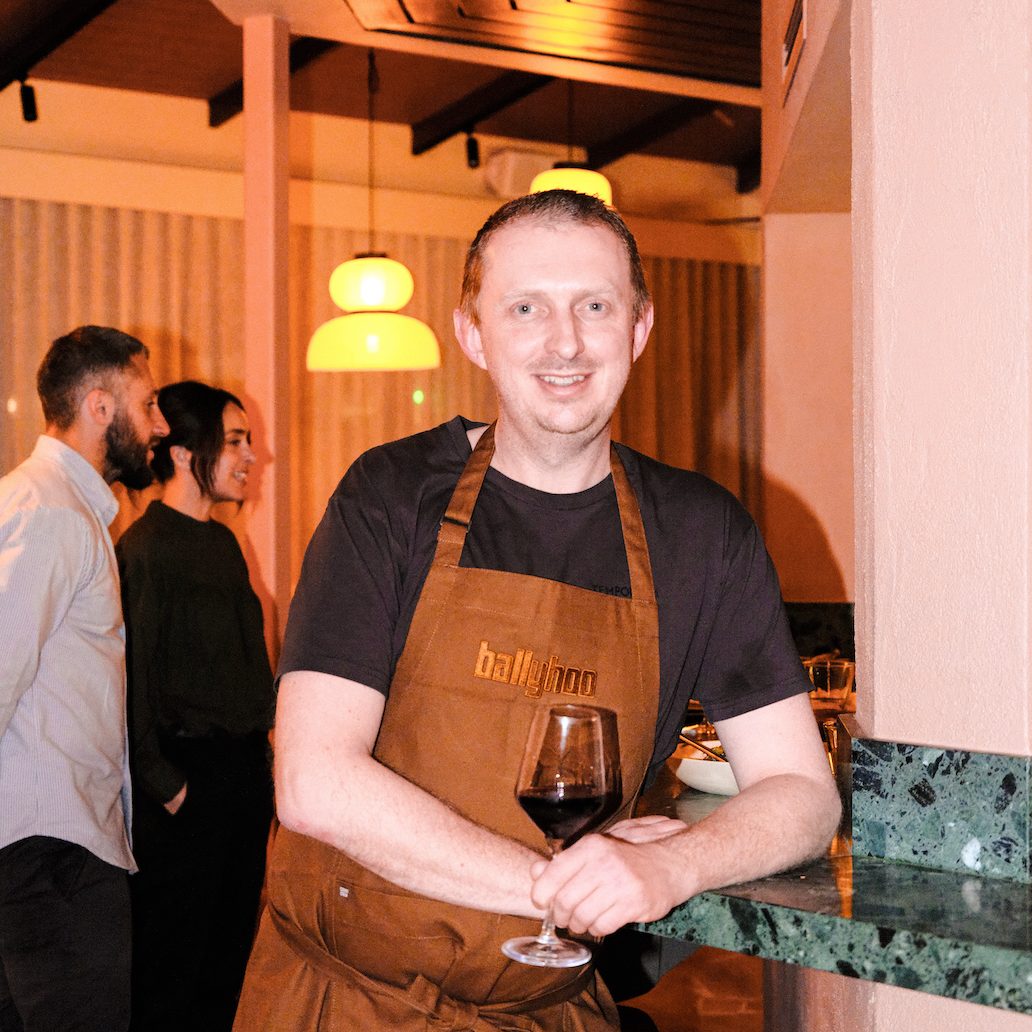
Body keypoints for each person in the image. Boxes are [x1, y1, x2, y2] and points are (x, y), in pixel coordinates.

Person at [233, 189, 841, 1031]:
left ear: (639, 329)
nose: (565, 342)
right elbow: (312, 781)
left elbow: (804, 794)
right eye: (527, 307)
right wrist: (557, 886)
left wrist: (677, 868)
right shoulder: (389, 497)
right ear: (473, 333)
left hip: (545, 1013)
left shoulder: (702, 534)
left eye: (595, 306)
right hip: (338, 1004)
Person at [0, 325, 168, 1032]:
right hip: (52, 851)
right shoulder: (54, 515)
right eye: (149, 402)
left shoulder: (47, 504)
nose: (159, 424)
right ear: (100, 407)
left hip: (46, 845)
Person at [116, 380, 275, 1032]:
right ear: (184, 452)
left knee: (230, 970)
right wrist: (167, 786)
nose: (250, 456)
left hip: (240, 779)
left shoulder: (223, 542)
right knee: (172, 977)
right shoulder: (145, 549)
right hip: (185, 786)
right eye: (235, 440)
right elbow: (130, 684)